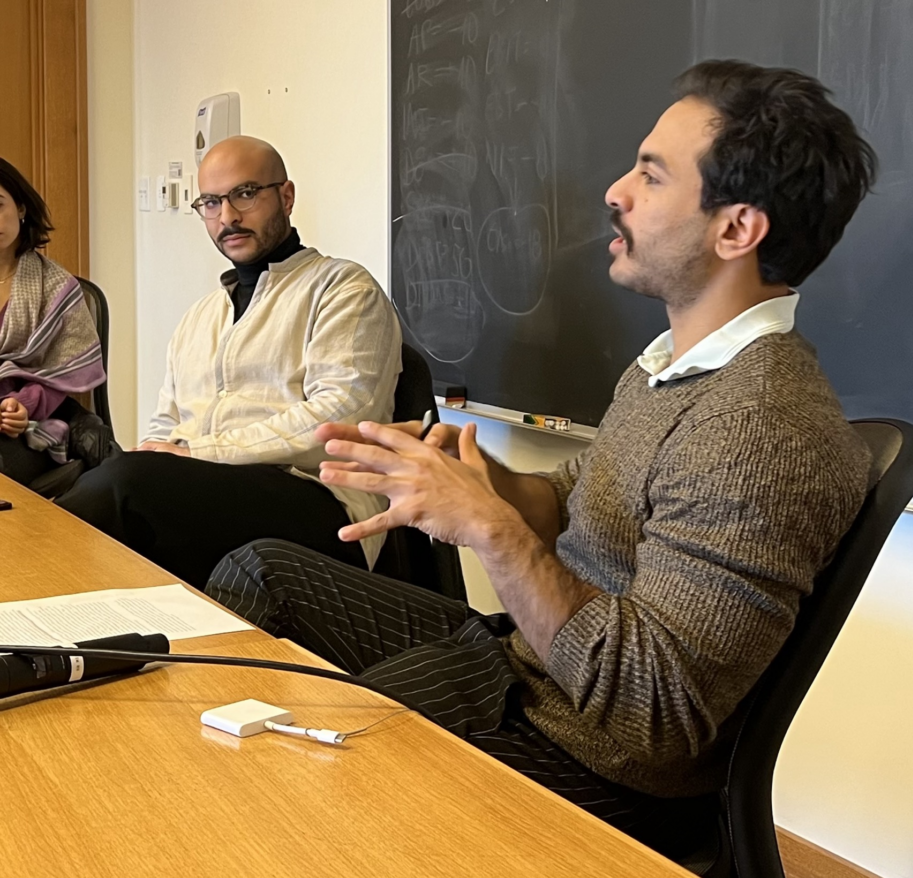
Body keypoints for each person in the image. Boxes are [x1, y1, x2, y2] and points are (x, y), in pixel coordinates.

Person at [206, 61, 877, 860]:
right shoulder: (674, 363)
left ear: (736, 229)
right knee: (261, 572)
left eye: (651, 176)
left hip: (601, 763)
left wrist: (494, 530)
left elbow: (653, 716)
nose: (615, 192)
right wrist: (487, 483)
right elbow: (580, 499)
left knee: (310, 763)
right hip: (525, 668)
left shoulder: (760, 429)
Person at [58, 136, 402, 588]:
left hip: (320, 507)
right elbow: (167, 425)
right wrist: (167, 457)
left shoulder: (343, 289)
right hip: (207, 497)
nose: (228, 217)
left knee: (125, 485)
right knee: (121, 491)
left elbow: (336, 421)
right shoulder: (200, 317)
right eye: (211, 202)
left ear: (286, 195)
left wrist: (192, 456)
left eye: (245, 194)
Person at [0, 159, 105, 487]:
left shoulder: (57, 288)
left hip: (26, 428)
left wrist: (24, 405)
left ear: (20, 208)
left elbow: (64, 374)